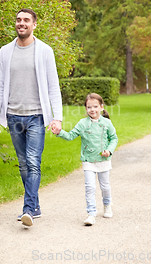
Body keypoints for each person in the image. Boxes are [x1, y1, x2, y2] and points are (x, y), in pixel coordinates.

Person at [0, 8, 63, 227]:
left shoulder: (44, 51)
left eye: (26, 20)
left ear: (34, 25)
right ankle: (36, 206)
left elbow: (53, 86)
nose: (21, 23)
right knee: (23, 164)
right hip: (13, 116)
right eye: (19, 20)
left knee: (33, 161)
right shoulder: (5, 51)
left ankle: (28, 209)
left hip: (37, 117)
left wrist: (57, 117)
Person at [51, 93, 118, 226]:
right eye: (89, 107)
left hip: (103, 160)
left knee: (105, 186)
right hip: (88, 160)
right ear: (86, 108)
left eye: (95, 106)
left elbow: (114, 138)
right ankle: (91, 213)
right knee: (90, 187)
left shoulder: (107, 123)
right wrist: (59, 132)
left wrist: (109, 150)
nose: (92, 110)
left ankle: (107, 205)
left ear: (101, 107)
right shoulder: (83, 123)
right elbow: (71, 136)